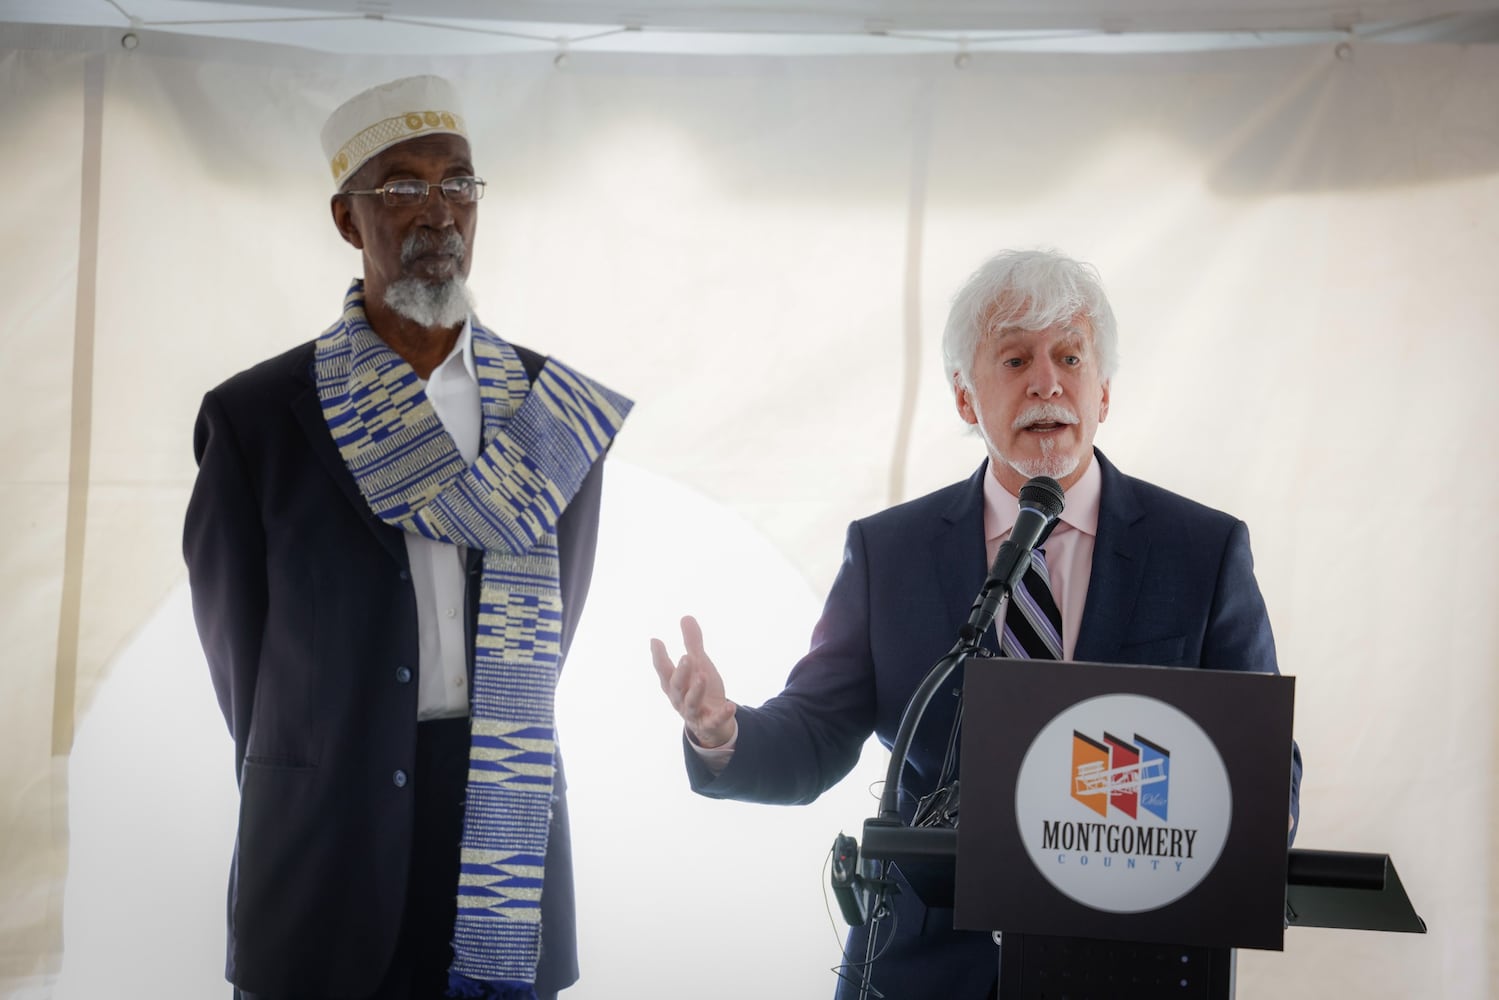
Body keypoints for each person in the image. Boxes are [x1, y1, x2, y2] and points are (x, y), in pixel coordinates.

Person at [651, 248, 1301, 999]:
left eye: (1068, 356)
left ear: (1103, 391)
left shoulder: (1201, 551)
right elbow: (818, 731)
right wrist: (722, 733)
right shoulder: (887, 551)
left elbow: (1260, 780)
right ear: (966, 398)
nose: (1046, 382)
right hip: (925, 969)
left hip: (1133, 965)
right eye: (1015, 358)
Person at [184, 75, 631, 1000]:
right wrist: (315, 767)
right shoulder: (260, 418)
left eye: (458, 184)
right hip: (322, 833)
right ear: (349, 222)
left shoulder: (551, 412)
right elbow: (241, 660)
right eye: (402, 188)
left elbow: (558, 624)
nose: (438, 212)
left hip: (501, 808)